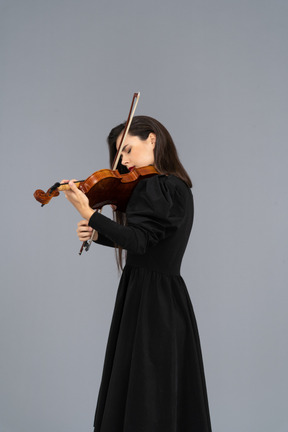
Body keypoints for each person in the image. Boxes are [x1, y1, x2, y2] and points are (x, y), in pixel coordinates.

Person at [64, 116, 212, 432]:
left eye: (129, 150)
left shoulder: (160, 187)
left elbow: (140, 241)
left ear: (153, 140)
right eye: (121, 156)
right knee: (146, 386)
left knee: (148, 389)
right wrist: (98, 234)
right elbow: (146, 241)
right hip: (154, 294)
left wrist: (90, 214)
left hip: (153, 299)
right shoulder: (174, 187)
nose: (126, 161)